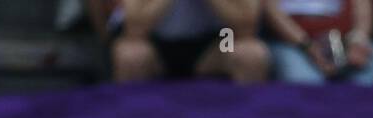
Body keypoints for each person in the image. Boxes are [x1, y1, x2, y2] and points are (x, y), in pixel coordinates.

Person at [108, 0, 270, 83]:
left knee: (251, 55)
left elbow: (247, 26)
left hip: (217, 42)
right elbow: (134, 28)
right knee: (131, 56)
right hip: (157, 43)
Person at [263, 0, 373, 85]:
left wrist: (357, 41)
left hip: (346, 40)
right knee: (305, 82)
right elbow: (272, 12)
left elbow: (363, 7)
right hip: (294, 44)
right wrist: (309, 47)